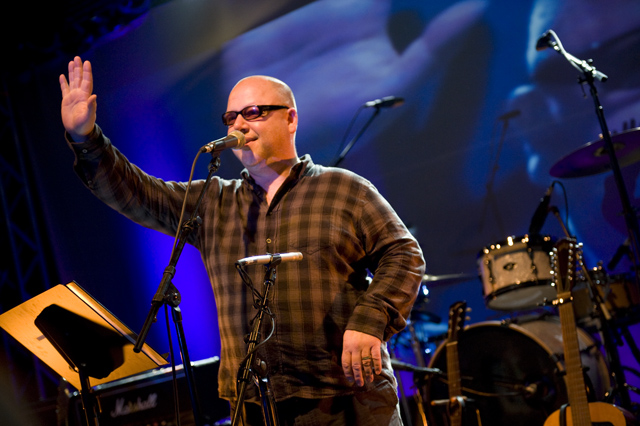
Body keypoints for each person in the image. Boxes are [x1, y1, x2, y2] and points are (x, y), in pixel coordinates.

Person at [59, 56, 425, 425]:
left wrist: (369, 321)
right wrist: (86, 139)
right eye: (231, 117)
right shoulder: (213, 201)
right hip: (255, 406)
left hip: (346, 399)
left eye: (253, 113)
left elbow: (404, 253)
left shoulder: (345, 189)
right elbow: (138, 193)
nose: (239, 125)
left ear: (291, 119)